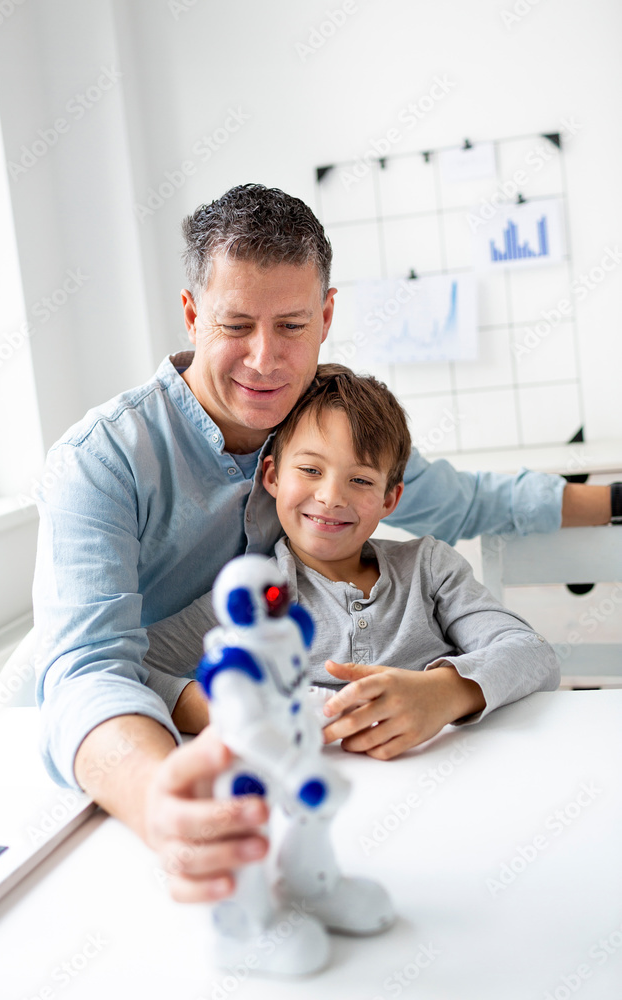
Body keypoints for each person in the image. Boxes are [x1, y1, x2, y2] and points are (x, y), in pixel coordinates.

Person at [32, 183, 613, 905]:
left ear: (326, 316)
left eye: (292, 326)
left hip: (293, 747)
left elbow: (465, 501)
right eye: (235, 324)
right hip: (130, 738)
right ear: (191, 314)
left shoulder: (319, 418)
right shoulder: (99, 459)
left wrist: (610, 502)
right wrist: (166, 802)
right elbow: (89, 672)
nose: (264, 359)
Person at [142, 366, 559, 759]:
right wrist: (238, 711)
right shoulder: (252, 596)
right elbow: (138, 670)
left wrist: (443, 692)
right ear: (271, 476)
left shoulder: (430, 569)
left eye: (359, 480)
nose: (331, 497)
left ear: (389, 499)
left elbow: (533, 655)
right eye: (310, 469)